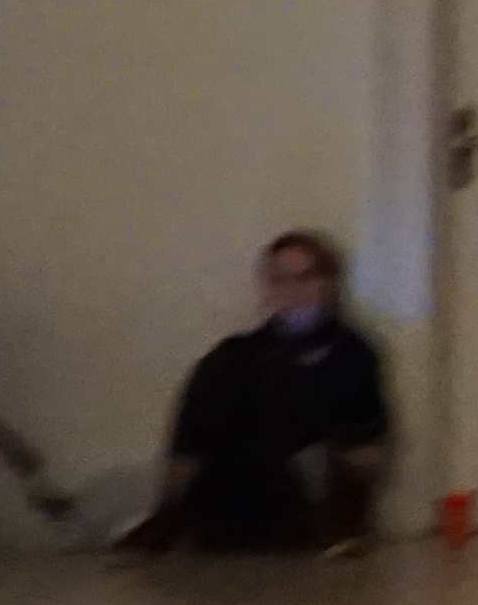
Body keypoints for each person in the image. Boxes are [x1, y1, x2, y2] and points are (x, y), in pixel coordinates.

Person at [119, 232, 393, 557]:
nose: (294, 291)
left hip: (309, 505)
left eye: (305, 278)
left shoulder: (353, 355)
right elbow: (190, 441)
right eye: (281, 280)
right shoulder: (236, 356)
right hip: (235, 501)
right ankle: (170, 520)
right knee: (223, 371)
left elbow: (367, 447)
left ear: (327, 282)